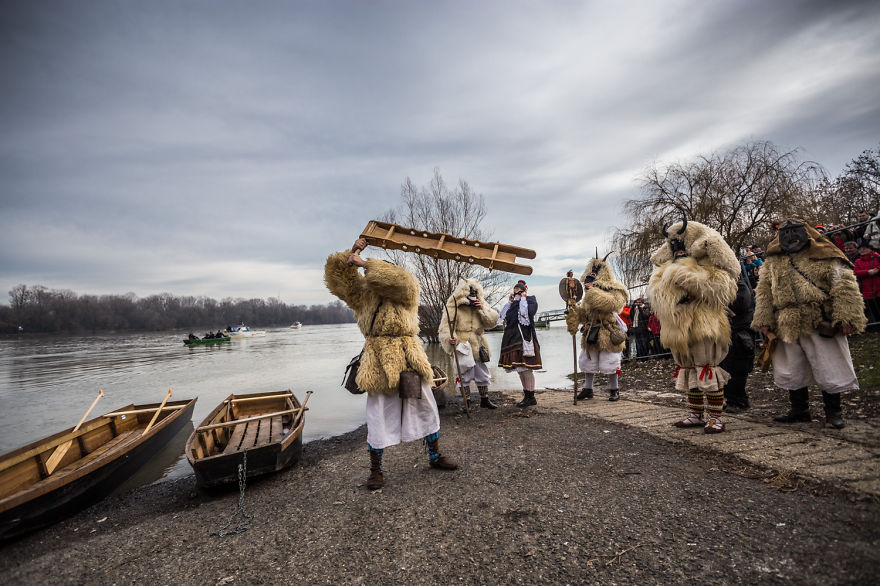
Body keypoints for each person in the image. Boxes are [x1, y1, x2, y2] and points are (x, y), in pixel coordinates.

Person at [324, 238, 457, 490]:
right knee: (378, 414)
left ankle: (435, 456)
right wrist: (353, 253)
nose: (371, 275)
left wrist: (365, 262)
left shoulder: (406, 289)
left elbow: (400, 282)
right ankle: (376, 470)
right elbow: (338, 278)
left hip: (407, 357)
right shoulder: (363, 296)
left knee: (424, 407)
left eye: (375, 271)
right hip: (377, 360)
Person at [752, 219, 866, 429]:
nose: (790, 238)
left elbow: (845, 287)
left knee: (828, 365)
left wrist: (847, 317)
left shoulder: (825, 254)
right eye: (785, 234)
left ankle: (833, 412)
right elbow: (764, 291)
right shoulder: (773, 262)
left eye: (795, 233)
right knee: (791, 368)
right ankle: (800, 410)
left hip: (819, 319)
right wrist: (764, 319)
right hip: (786, 321)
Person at [647, 219, 740, 434]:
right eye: (674, 246)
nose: (678, 250)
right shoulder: (663, 271)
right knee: (688, 369)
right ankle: (696, 414)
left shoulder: (710, 266)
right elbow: (657, 295)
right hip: (678, 328)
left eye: (682, 244)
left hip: (703, 324)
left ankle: (715, 417)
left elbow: (721, 289)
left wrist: (684, 277)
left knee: (706, 367)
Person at [565, 254, 628, 401]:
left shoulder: (615, 289)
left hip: (608, 331)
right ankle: (588, 389)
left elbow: (612, 304)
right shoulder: (588, 294)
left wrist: (592, 291)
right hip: (591, 331)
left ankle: (614, 390)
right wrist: (574, 310)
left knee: (610, 361)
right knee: (588, 361)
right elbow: (585, 315)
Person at [438, 278, 500, 409]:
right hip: (462, 345)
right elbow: (445, 327)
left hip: (478, 344)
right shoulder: (453, 305)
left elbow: (491, 323)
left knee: (482, 373)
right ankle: (467, 402)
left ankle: (485, 400)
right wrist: (450, 339)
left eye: (475, 292)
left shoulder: (481, 303)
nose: (473, 294)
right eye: (470, 292)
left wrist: (481, 309)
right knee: (464, 375)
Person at [497, 280, 542, 407]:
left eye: (520, 291)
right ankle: (527, 395)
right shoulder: (513, 304)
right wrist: (510, 302)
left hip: (525, 339)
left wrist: (523, 299)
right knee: (520, 369)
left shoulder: (530, 300)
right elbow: (502, 317)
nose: (517, 293)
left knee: (526, 369)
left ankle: (531, 396)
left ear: (525, 291)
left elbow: (527, 313)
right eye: (515, 291)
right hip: (512, 339)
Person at [720, 271, 757, 412]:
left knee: (738, 369)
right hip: (731, 334)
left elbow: (740, 304)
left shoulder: (739, 287)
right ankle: (732, 399)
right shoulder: (731, 287)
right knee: (729, 368)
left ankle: (739, 401)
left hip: (741, 334)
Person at [853, 243, 880, 325]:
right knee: (873, 308)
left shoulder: (878, 257)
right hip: (867, 288)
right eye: (860, 249)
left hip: (878, 285)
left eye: (864, 248)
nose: (862, 250)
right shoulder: (858, 261)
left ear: (870, 249)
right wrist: (868, 272)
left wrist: (877, 269)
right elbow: (855, 272)